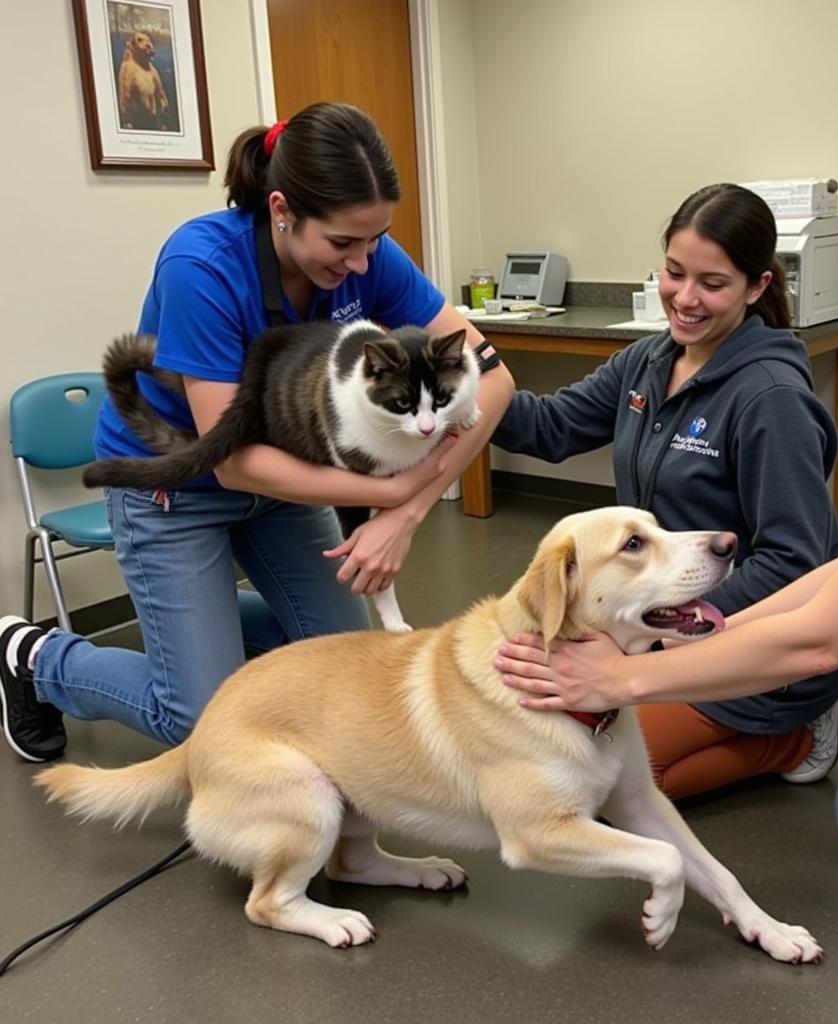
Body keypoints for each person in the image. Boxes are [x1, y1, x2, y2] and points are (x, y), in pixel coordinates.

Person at [494, 108, 838, 973]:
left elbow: (825, 628)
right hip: (733, 637)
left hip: (762, 663)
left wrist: (629, 671)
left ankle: (802, 743)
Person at [0, 102, 513, 762]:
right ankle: (35, 658)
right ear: (280, 209)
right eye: (341, 244)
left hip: (286, 487)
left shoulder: (368, 255)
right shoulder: (201, 266)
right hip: (179, 484)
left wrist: (408, 507)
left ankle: (199, 629)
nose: (362, 263)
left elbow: (494, 380)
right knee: (200, 723)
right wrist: (393, 496)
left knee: (348, 671)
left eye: (375, 240)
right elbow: (231, 464)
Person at [491, 183, 838, 800]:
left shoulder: (771, 399)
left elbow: (795, 563)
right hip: (665, 616)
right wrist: (458, 383)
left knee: (612, 789)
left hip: (748, 643)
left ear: (757, 287)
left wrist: (669, 635)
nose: (684, 299)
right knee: (553, 748)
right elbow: (550, 428)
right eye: (674, 273)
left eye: (711, 284)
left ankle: (796, 729)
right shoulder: (649, 361)